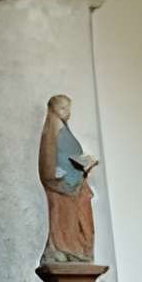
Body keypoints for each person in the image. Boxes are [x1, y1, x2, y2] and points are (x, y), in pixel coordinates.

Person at [38, 93, 98, 264]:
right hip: (62, 184)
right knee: (66, 217)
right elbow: (50, 162)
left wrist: (83, 165)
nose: (67, 113)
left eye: (68, 109)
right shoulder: (52, 130)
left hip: (75, 181)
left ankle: (77, 251)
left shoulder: (64, 130)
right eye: (63, 108)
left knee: (82, 217)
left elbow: (70, 155)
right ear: (53, 109)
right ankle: (65, 250)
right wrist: (70, 171)